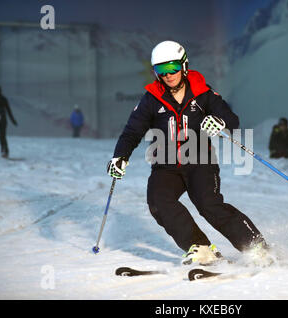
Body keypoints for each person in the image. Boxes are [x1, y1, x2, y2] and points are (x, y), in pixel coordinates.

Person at [107, 40, 273, 266]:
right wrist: (120, 156)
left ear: (184, 66)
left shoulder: (203, 93)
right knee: (158, 201)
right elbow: (131, 132)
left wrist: (219, 120)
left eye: (173, 68)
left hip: (200, 162)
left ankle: (257, 247)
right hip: (165, 165)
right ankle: (201, 247)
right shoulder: (151, 98)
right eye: (161, 70)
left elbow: (232, 121)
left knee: (208, 204)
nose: (168, 75)